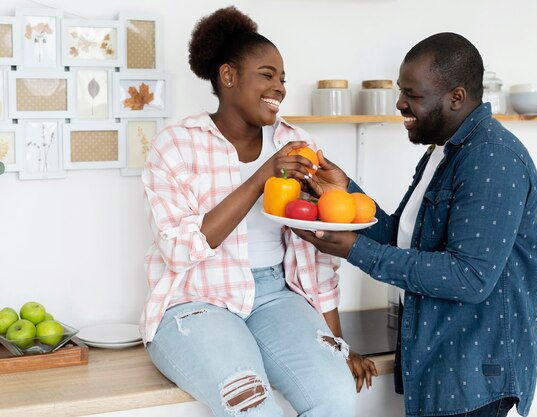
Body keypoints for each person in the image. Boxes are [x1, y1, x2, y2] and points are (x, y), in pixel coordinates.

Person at [139, 7, 376, 417]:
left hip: (277, 296)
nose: (280, 88)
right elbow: (178, 250)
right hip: (197, 300)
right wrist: (261, 177)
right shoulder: (176, 145)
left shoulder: (296, 143)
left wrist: (337, 344)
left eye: (283, 78)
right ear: (229, 77)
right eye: (267, 75)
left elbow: (317, 252)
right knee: (254, 408)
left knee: (337, 398)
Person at [293, 32, 537, 417]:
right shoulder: (442, 151)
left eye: (412, 94)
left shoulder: (492, 157)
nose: (399, 103)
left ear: (456, 97)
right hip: (442, 362)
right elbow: (405, 238)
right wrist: (346, 193)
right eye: (400, 91)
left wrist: (354, 250)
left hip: (476, 376)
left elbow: (469, 276)